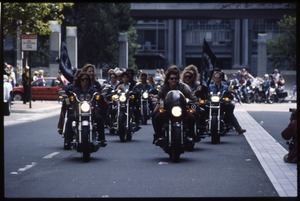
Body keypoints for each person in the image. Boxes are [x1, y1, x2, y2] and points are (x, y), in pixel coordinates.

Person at [151, 65, 197, 144]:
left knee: (192, 117)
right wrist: (155, 98)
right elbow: (158, 95)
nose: (174, 80)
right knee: (155, 116)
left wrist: (195, 100)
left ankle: (190, 136)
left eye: (175, 78)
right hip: (167, 110)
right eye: (171, 78)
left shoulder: (183, 86)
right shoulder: (164, 87)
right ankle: (158, 136)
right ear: (168, 79)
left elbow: (191, 95)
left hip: (181, 110)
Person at [64, 72, 107, 149]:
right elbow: (67, 90)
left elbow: (98, 95)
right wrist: (68, 92)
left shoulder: (92, 90)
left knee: (99, 118)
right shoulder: (75, 89)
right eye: (83, 79)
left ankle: (102, 139)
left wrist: (99, 96)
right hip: (78, 111)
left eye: (86, 79)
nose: (85, 81)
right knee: (70, 118)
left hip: (91, 110)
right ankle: (68, 140)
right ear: (79, 81)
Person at [208, 69, 246, 135]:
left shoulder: (225, 87)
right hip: (211, 104)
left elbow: (230, 95)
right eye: (215, 76)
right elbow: (205, 94)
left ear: (221, 77)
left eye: (218, 76)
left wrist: (230, 92)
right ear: (213, 77)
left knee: (230, 108)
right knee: (201, 108)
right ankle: (200, 128)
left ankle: (238, 129)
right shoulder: (209, 86)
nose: (217, 78)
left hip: (222, 104)